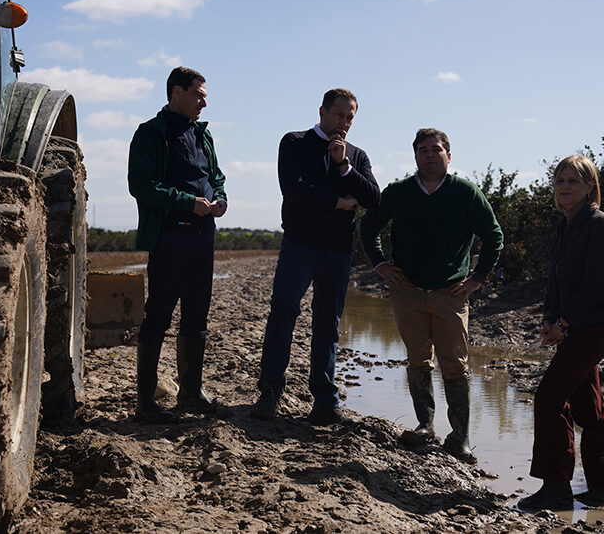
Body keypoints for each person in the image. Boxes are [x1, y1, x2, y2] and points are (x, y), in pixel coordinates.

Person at [359, 128, 503, 464]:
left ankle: (461, 438)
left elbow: (493, 235)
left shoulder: (465, 192)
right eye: (422, 150)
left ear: (448, 156)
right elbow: (368, 226)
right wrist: (380, 264)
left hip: (450, 293)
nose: (429, 155)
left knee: (455, 364)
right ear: (415, 157)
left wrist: (478, 277)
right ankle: (425, 425)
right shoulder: (398, 192)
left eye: (436, 149)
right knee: (417, 359)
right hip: (407, 291)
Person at [251, 88, 381, 425]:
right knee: (283, 311)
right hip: (299, 245)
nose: (344, 122)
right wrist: (337, 202)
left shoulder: (356, 156)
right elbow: (293, 189)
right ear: (323, 112)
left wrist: (343, 165)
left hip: (338, 251)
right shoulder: (294, 142)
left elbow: (372, 198)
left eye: (350, 117)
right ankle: (270, 392)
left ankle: (324, 401)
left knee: (328, 324)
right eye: (339, 115)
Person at [518, 155, 604, 511]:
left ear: (590, 187)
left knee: (549, 398)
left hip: (596, 325)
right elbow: (556, 282)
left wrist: (564, 323)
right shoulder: (565, 225)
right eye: (560, 181)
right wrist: (551, 320)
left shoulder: (600, 224)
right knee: (587, 405)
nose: (565, 187)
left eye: (573, 181)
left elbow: (599, 282)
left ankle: (557, 490)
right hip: (573, 326)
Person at [127, 66, 227, 423]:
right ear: (176, 92)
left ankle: (190, 393)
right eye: (198, 94)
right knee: (158, 316)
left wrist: (220, 199)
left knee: (197, 316)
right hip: (170, 236)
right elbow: (141, 184)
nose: (204, 102)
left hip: (204, 237)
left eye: (204, 96)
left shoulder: (203, 134)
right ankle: (146, 402)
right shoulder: (151, 133)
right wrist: (189, 202)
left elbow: (215, 177)